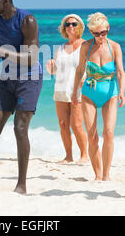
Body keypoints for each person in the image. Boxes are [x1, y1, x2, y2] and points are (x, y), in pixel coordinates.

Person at [0, 0, 43, 194]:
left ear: (5, 1)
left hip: (29, 79)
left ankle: (21, 185)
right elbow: (2, 44)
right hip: (6, 79)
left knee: (20, 128)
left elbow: (31, 58)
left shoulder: (28, 21)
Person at [72, 12, 125, 181]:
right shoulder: (86, 47)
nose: (100, 36)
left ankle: (106, 174)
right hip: (89, 92)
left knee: (109, 132)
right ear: (90, 32)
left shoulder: (115, 46)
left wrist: (122, 92)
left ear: (108, 28)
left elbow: (120, 72)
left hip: (110, 92)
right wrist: (75, 92)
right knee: (92, 134)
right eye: (96, 33)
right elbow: (80, 70)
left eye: (103, 32)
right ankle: (97, 174)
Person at [46, 14, 88, 164]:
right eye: (67, 24)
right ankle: (68, 156)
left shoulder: (86, 45)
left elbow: (90, 69)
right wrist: (50, 67)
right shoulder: (61, 48)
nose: (71, 26)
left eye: (74, 24)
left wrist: (82, 85)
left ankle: (84, 155)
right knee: (63, 124)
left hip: (78, 90)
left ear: (80, 27)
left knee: (76, 125)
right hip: (61, 89)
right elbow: (54, 71)